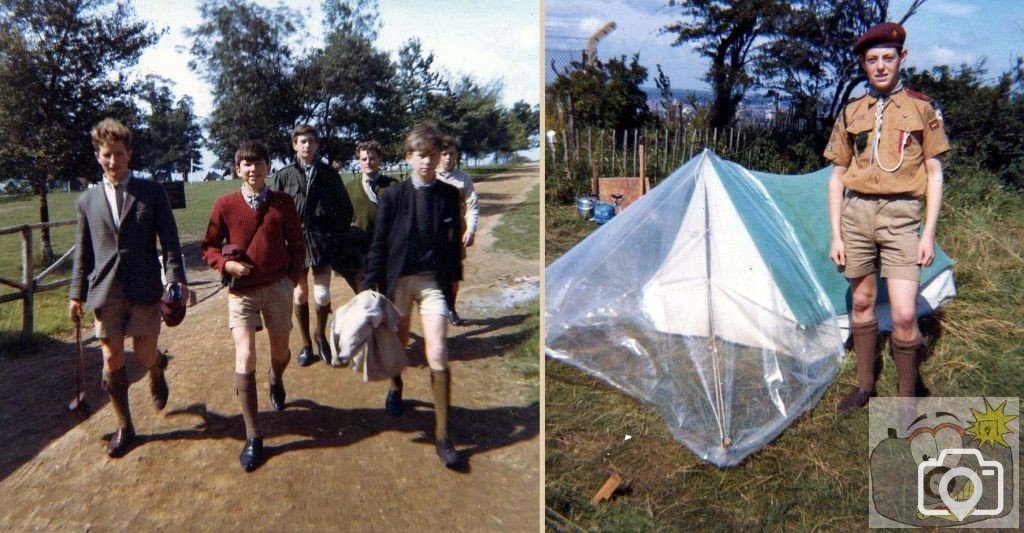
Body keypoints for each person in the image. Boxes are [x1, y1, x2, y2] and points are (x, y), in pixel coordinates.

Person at [824, 22, 949, 412]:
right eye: (872, 59)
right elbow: (837, 177)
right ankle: (865, 386)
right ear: (864, 64)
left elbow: (934, 173)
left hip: (901, 217)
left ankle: (907, 401)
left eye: (888, 58)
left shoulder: (922, 109)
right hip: (857, 214)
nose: (880, 66)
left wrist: (927, 234)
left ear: (902, 59)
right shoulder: (851, 112)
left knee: (905, 313)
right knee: (862, 301)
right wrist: (837, 235)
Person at [68, 118, 188, 457]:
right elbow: (84, 252)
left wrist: (176, 281)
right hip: (105, 290)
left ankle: (157, 367)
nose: (112, 161)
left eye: (118, 154)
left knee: (144, 353)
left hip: (145, 285)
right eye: (106, 155)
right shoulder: (87, 202)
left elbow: (170, 240)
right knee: (112, 356)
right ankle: (126, 427)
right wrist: (76, 293)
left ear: (129, 154)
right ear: (98, 156)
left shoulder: (151, 192)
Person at [361, 122, 464, 468]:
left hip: (432, 282)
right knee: (400, 342)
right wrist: (370, 288)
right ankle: (395, 387)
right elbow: (378, 246)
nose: (427, 162)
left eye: (432, 155)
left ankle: (443, 435)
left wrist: (453, 287)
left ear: (439, 157)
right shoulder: (393, 197)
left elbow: (453, 250)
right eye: (420, 156)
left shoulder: (450, 195)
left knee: (437, 348)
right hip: (399, 281)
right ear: (408, 157)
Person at [202, 140, 305, 471]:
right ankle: (253, 434)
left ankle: (276, 377)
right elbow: (209, 248)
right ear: (237, 169)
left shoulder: (282, 203)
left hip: (277, 287)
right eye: (246, 164)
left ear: (268, 166)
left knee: (281, 352)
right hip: (242, 292)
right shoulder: (224, 204)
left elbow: (298, 246)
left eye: (258, 163)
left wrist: (290, 279)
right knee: (245, 355)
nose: (252, 169)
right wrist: (225, 265)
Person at [273, 124, 354, 367]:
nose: (307, 145)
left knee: (322, 292)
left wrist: (333, 237)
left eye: (311, 141)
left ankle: (321, 338)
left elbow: (345, 210)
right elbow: (273, 214)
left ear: (317, 145)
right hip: (294, 243)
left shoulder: (329, 174)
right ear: (294, 145)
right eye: (302, 141)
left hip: (321, 241)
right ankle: (306, 344)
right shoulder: (283, 175)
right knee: (299, 293)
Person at [339, 140, 397, 292]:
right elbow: (343, 217)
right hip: (359, 248)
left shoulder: (392, 186)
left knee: (388, 292)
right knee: (365, 293)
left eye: (372, 158)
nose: (368, 162)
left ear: (379, 159)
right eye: (364, 159)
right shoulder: (350, 187)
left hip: (386, 247)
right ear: (359, 161)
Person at [435, 136, 479, 326]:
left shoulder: (464, 179)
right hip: (433, 234)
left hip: (455, 233)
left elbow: (472, 206)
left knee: (453, 275)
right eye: (444, 154)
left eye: (451, 153)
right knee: (433, 273)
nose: (448, 158)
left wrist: (471, 230)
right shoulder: (430, 176)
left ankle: (451, 308)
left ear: (457, 155)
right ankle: (437, 310)